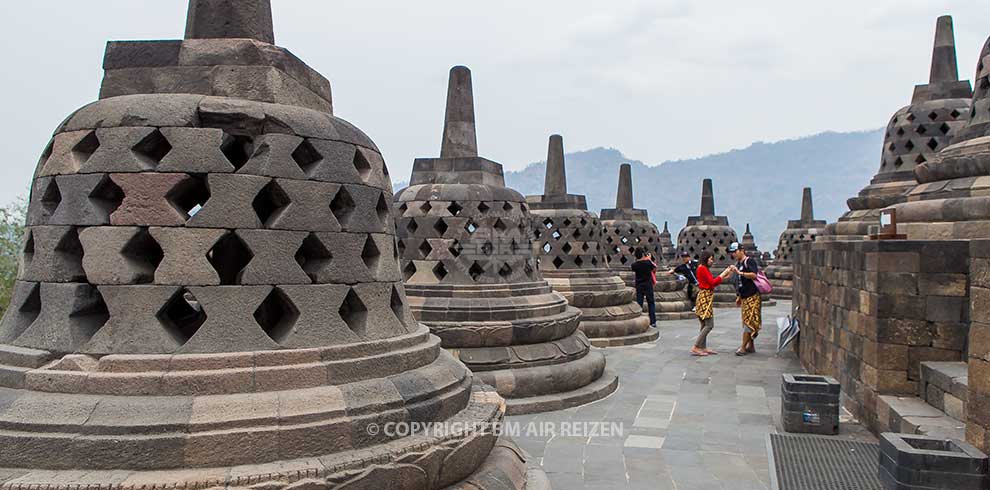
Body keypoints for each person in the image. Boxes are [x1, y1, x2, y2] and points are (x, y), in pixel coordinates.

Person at [692, 251, 734, 356]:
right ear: (705, 258)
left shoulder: (703, 268)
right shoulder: (702, 268)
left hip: (705, 296)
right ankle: (696, 346)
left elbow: (711, 281)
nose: (712, 261)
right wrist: (723, 273)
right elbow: (712, 283)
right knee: (709, 325)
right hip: (705, 297)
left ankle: (703, 347)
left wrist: (724, 276)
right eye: (710, 259)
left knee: (704, 324)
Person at [729, 242, 762, 356]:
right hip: (744, 296)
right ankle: (751, 345)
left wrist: (740, 272)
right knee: (747, 321)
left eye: (735, 252)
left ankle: (743, 347)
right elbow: (739, 282)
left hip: (752, 296)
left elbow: (754, 275)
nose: (733, 254)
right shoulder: (738, 264)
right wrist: (738, 296)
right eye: (732, 253)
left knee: (750, 321)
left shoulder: (749, 261)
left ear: (741, 250)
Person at [630, 248, 657, 328]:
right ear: (643, 254)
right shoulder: (648, 263)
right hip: (648, 285)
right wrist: (649, 259)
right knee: (651, 303)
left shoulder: (634, 265)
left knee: (639, 303)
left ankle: (639, 320)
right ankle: (653, 321)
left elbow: (633, 267)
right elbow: (654, 268)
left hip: (639, 285)